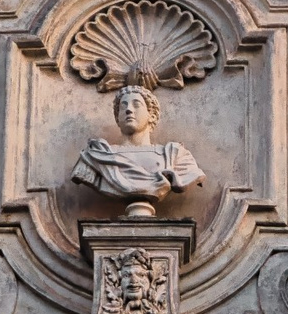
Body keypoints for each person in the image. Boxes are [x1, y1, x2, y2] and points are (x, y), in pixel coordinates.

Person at [69, 81, 203, 216]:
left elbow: (190, 175)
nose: (129, 109)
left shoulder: (174, 155)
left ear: (152, 115)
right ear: (117, 117)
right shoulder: (98, 154)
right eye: (123, 106)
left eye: (136, 105)